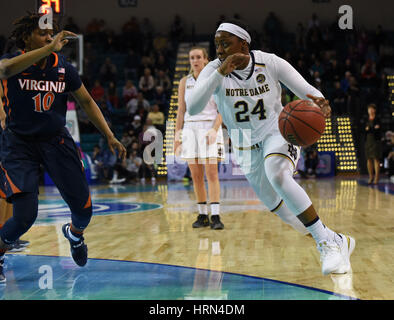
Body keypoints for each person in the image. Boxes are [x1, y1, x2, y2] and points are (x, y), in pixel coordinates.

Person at [186, 20, 355, 275]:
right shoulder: (213, 69)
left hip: (277, 131)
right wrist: (220, 73)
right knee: (289, 215)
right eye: (217, 45)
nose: (219, 50)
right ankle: (336, 240)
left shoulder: (270, 62)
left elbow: (306, 90)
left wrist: (320, 103)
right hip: (243, 143)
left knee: (276, 171)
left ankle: (325, 244)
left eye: (225, 43)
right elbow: (193, 107)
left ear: (243, 44)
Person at [0, 14, 126, 282]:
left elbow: (88, 103)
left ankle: (74, 234)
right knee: (24, 217)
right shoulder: (12, 62)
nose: (49, 37)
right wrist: (48, 48)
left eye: (51, 34)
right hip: (19, 144)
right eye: (42, 33)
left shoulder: (63, 68)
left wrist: (110, 135)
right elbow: (4, 71)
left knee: (84, 210)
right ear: (26, 38)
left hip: (56, 141)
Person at [174, 47, 225, 230]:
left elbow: (223, 110)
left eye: (198, 57)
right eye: (192, 58)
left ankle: (216, 215)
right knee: (195, 175)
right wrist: (177, 136)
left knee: (212, 173)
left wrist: (214, 129)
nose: (195, 60)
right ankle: (203, 214)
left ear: (205, 59)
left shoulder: (215, 80)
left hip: (209, 128)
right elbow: (181, 110)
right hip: (190, 128)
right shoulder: (184, 82)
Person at [364, 104, 382, 184]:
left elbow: (377, 130)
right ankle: (371, 176)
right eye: (369, 109)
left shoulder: (378, 119)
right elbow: (364, 130)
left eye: (372, 109)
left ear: (374, 110)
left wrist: (369, 129)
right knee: (369, 159)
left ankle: (377, 177)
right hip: (368, 141)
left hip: (375, 141)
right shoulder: (366, 120)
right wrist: (372, 128)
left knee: (376, 159)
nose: (370, 110)